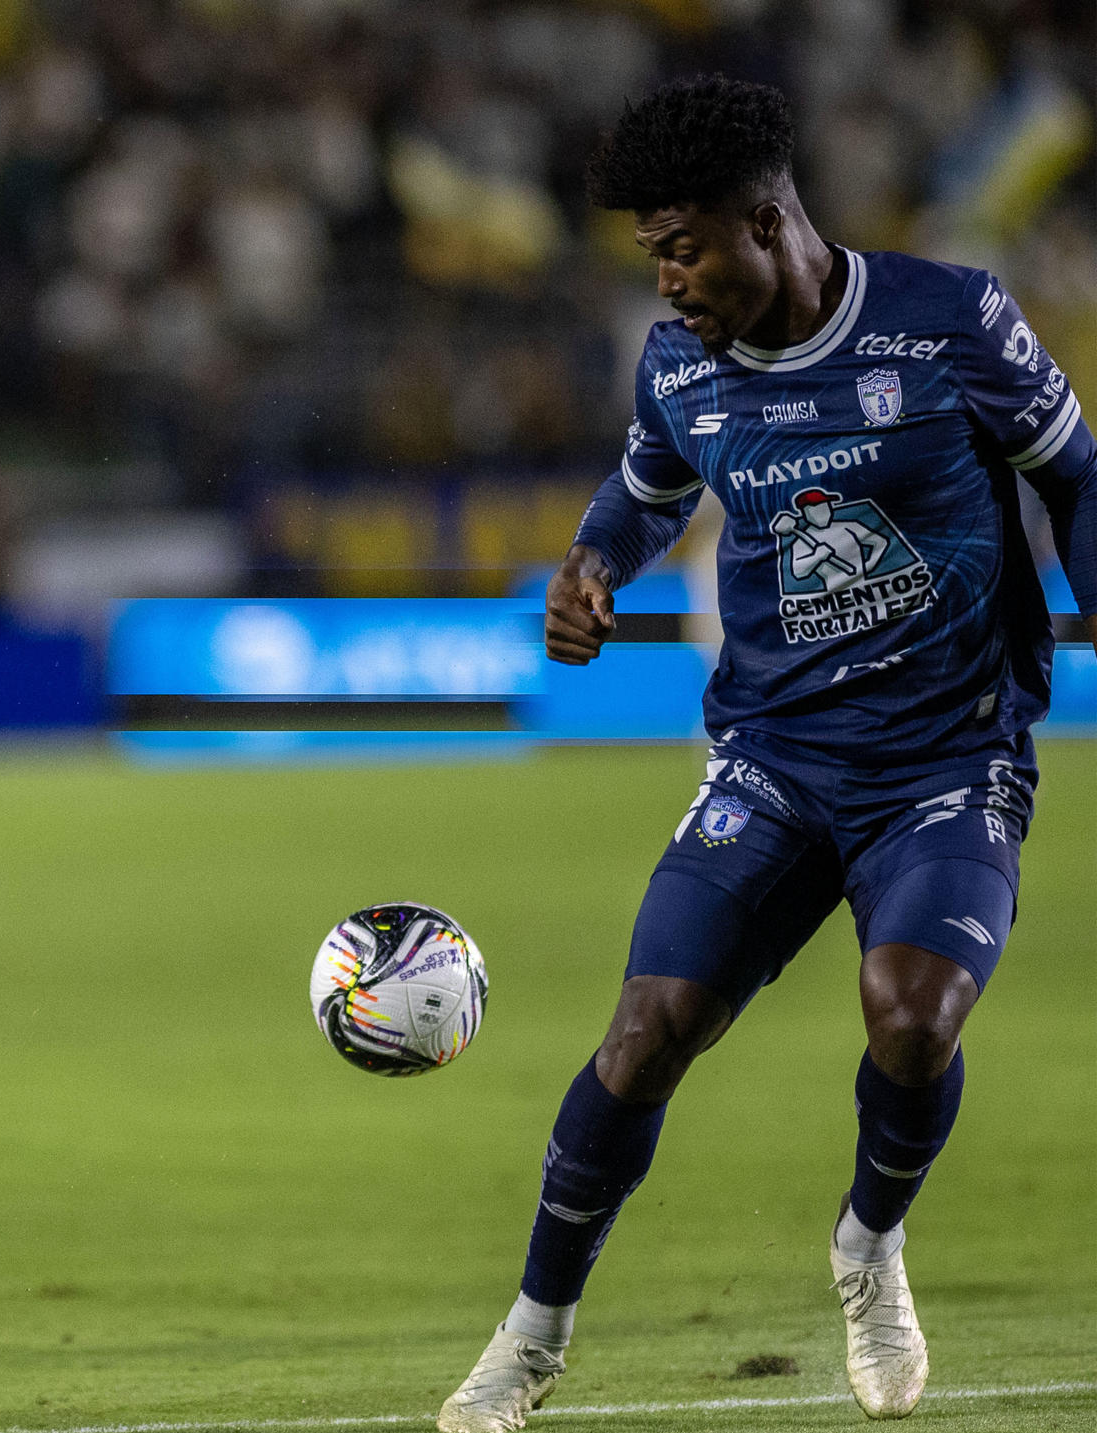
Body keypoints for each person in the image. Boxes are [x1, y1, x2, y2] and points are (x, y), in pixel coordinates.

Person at [440, 76, 1096, 1431]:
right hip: (776, 758)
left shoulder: (950, 320)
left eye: (684, 246)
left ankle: (869, 1244)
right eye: (652, 254)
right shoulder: (680, 365)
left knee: (912, 1017)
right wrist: (591, 561)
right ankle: (532, 1335)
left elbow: (1075, 475)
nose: (668, 280)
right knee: (645, 1033)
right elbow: (644, 488)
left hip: (947, 756)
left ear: (769, 220)